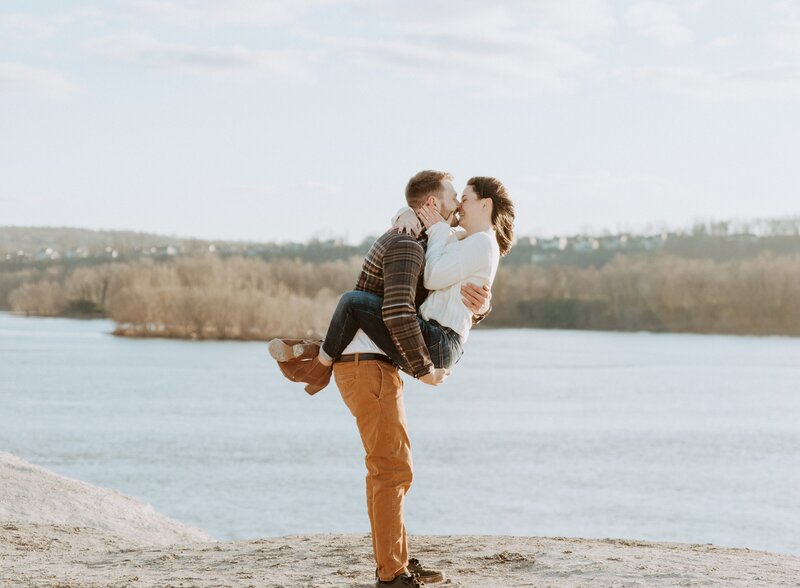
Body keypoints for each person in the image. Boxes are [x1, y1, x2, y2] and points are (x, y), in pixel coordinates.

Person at [270, 171, 513, 587]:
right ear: (434, 204)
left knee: (391, 468)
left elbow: (445, 290)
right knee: (391, 470)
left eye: (464, 199)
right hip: (369, 364)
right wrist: (425, 370)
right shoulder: (408, 242)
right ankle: (392, 574)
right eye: (455, 198)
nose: (458, 206)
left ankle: (395, 559)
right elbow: (400, 312)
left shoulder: (431, 237)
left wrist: (480, 304)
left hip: (377, 362)